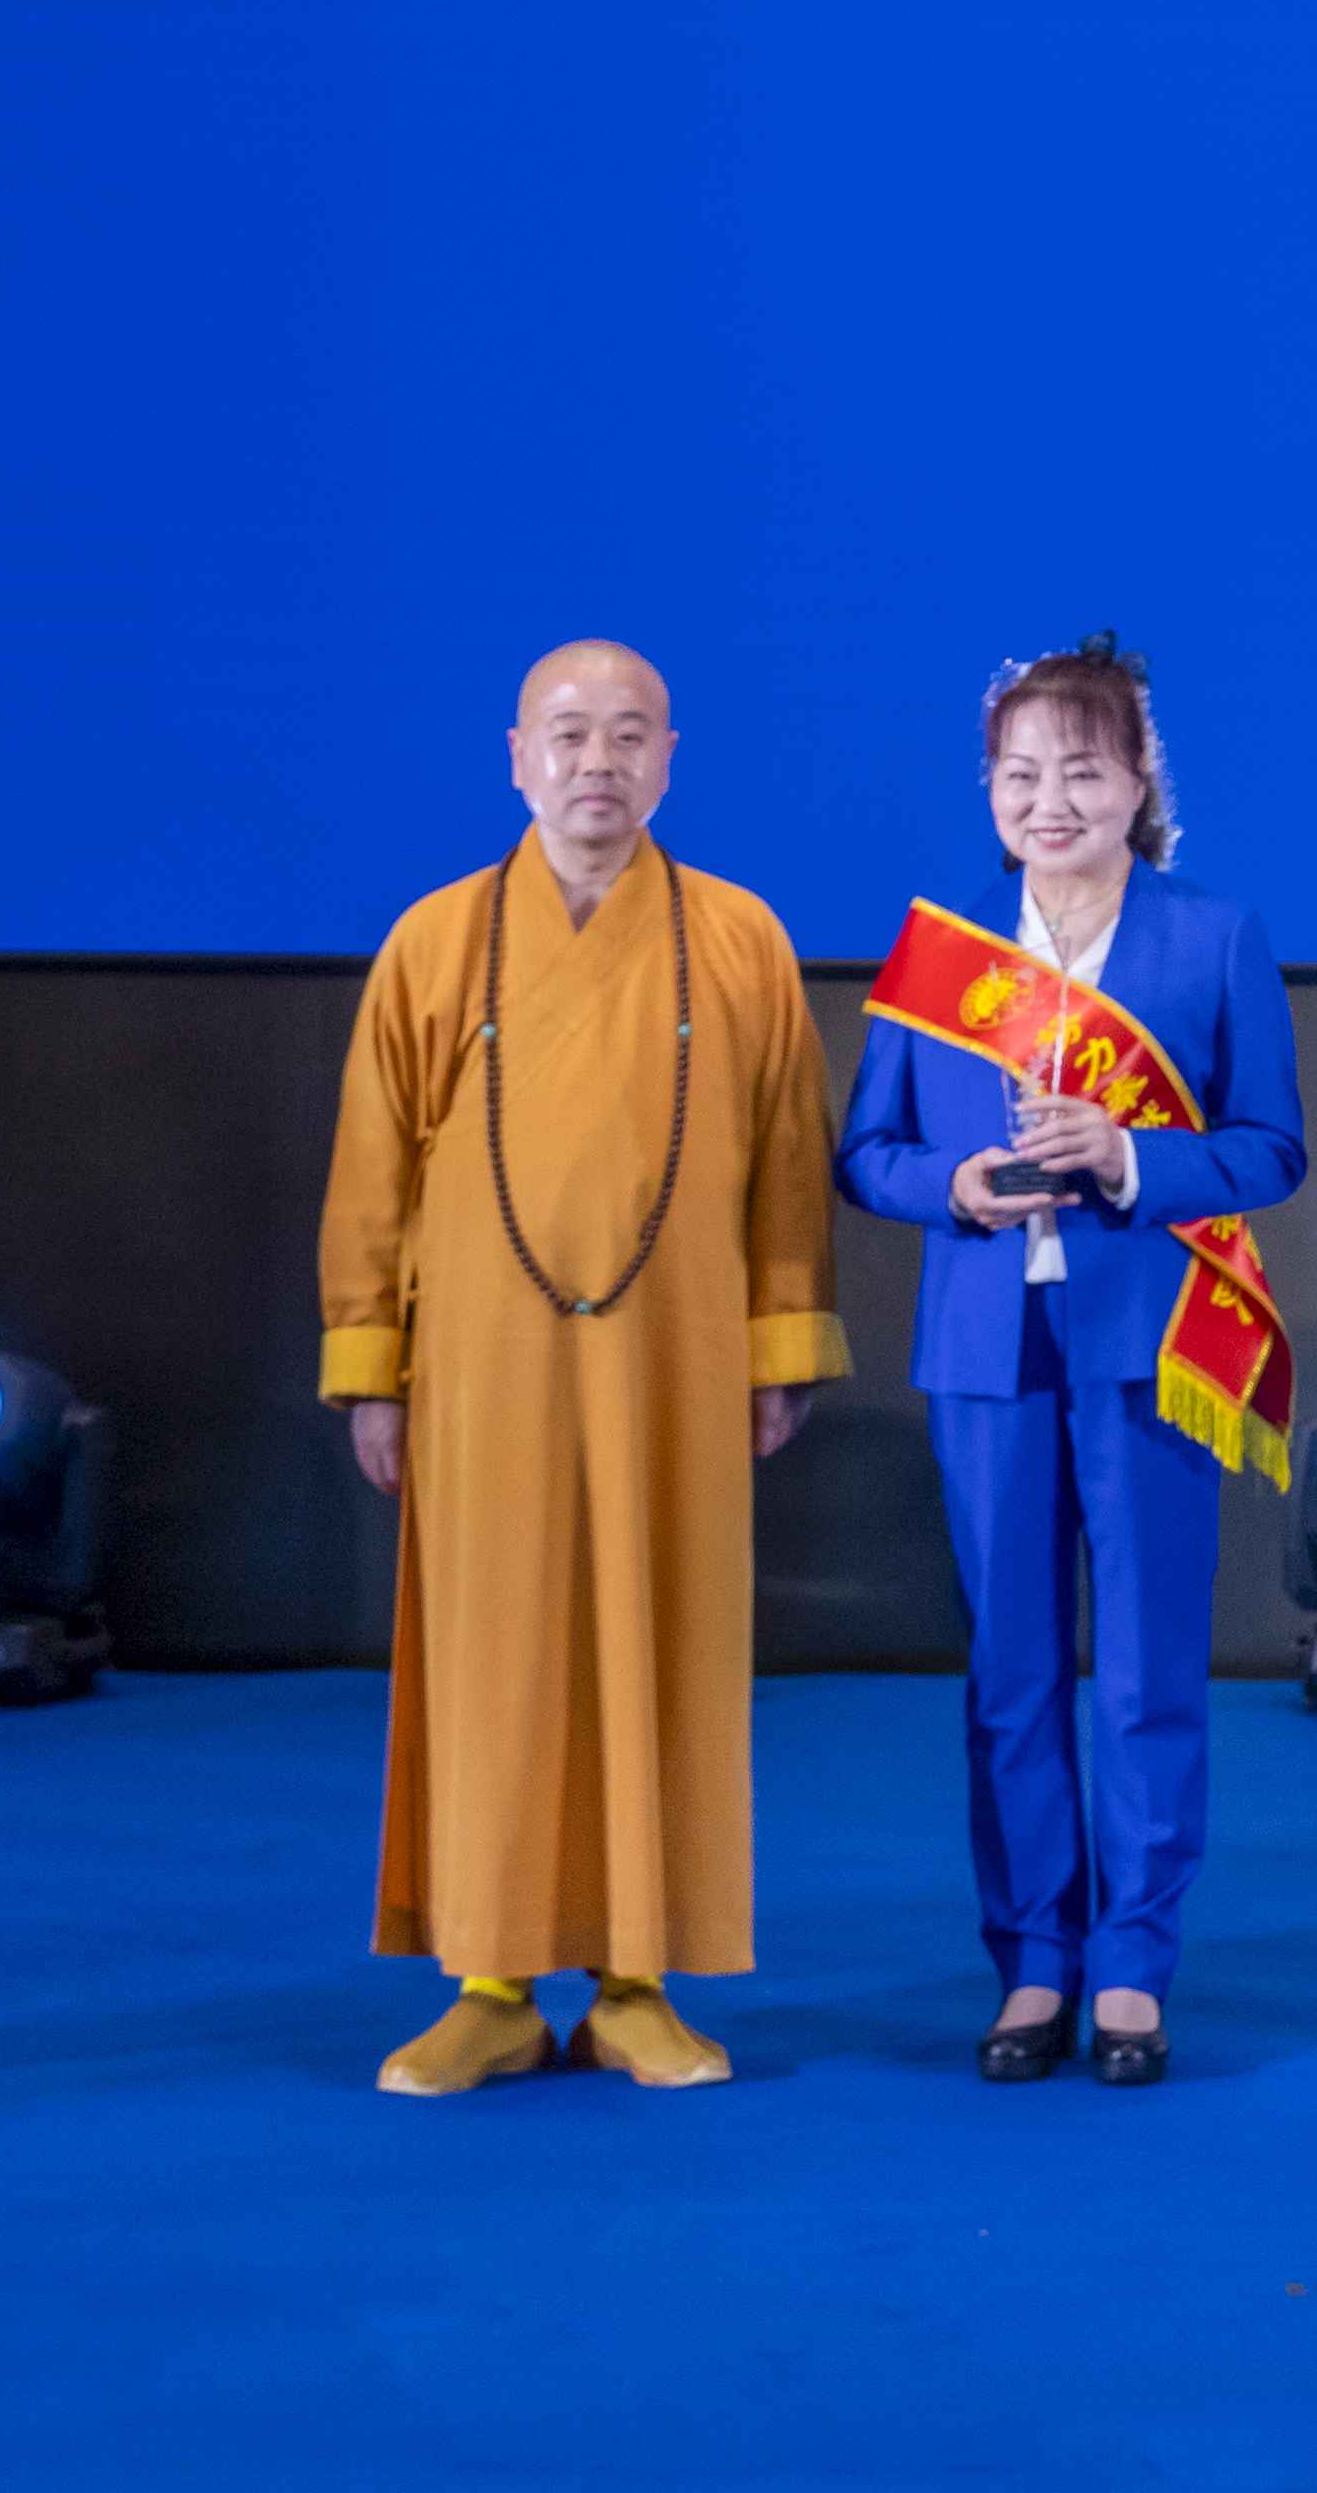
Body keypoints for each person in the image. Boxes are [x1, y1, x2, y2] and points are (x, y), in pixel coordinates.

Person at [317, 640, 845, 2093]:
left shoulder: (739, 937)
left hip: (676, 1355)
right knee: (493, 1648)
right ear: (516, 758)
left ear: (671, 758)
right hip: (480, 1360)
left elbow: (787, 1163)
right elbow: (371, 1171)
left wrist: (781, 1344)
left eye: (627, 734)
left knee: (660, 1637)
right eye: (567, 733)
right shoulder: (436, 939)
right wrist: (372, 1364)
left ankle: (633, 1982)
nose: (596, 762)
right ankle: (490, 1983)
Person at [837, 638, 1308, 2089]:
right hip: (986, 1346)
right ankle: (1035, 1953)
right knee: (1013, 1672)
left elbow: (1271, 1149)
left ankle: (1134, 1961)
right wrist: (954, 1187)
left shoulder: (1210, 937)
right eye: (1022, 774)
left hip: (1151, 1346)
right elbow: (868, 1153)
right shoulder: (938, 957)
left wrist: (1131, 1157)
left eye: (1084, 770)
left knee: (1149, 1667)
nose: (1051, 801)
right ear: (989, 791)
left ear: (1139, 782)